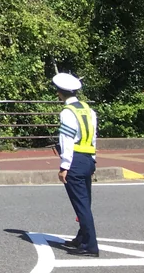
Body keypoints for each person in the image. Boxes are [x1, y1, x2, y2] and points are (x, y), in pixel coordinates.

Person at [52, 72, 99, 257]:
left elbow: (67, 140)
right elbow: (93, 136)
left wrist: (64, 166)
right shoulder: (88, 109)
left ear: (60, 93)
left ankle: (91, 246)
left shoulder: (67, 112)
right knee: (85, 201)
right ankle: (81, 238)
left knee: (81, 206)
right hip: (88, 159)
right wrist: (93, 158)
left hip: (75, 161)